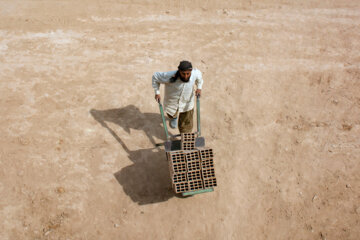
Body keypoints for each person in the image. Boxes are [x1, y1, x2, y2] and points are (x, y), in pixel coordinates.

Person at [152, 60, 203, 133]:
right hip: (172, 103)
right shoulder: (169, 76)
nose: (185, 76)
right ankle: (174, 118)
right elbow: (155, 77)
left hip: (187, 103)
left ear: (191, 71)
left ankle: (185, 136)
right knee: (171, 114)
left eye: (188, 74)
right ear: (179, 71)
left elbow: (200, 79)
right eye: (183, 74)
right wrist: (157, 92)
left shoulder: (195, 73)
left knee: (186, 124)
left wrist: (199, 88)